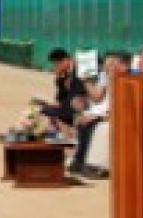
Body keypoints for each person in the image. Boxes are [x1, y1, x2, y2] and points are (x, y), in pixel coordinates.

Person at [36, 47, 98, 175]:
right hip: (68, 105)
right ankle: (60, 146)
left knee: (54, 112)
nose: (56, 67)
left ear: (65, 60)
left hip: (80, 105)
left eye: (57, 64)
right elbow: (60, 97)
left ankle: (67, 147)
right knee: (44, 109)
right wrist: (59, 79)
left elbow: (83, 93)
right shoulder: (64, 75)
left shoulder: (81, 70)